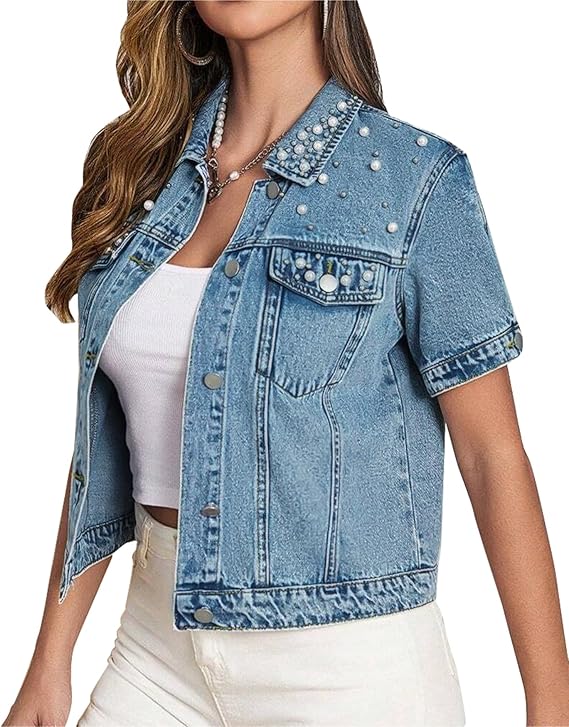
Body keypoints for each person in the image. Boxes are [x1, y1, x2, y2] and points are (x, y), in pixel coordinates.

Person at [4, 1, 568, 726]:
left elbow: (492, 455)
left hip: (346, 670)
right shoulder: (141, 176)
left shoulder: (413, 181)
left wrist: (551, 704)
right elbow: (103, 446)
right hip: (155, 648)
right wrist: (50, 658)